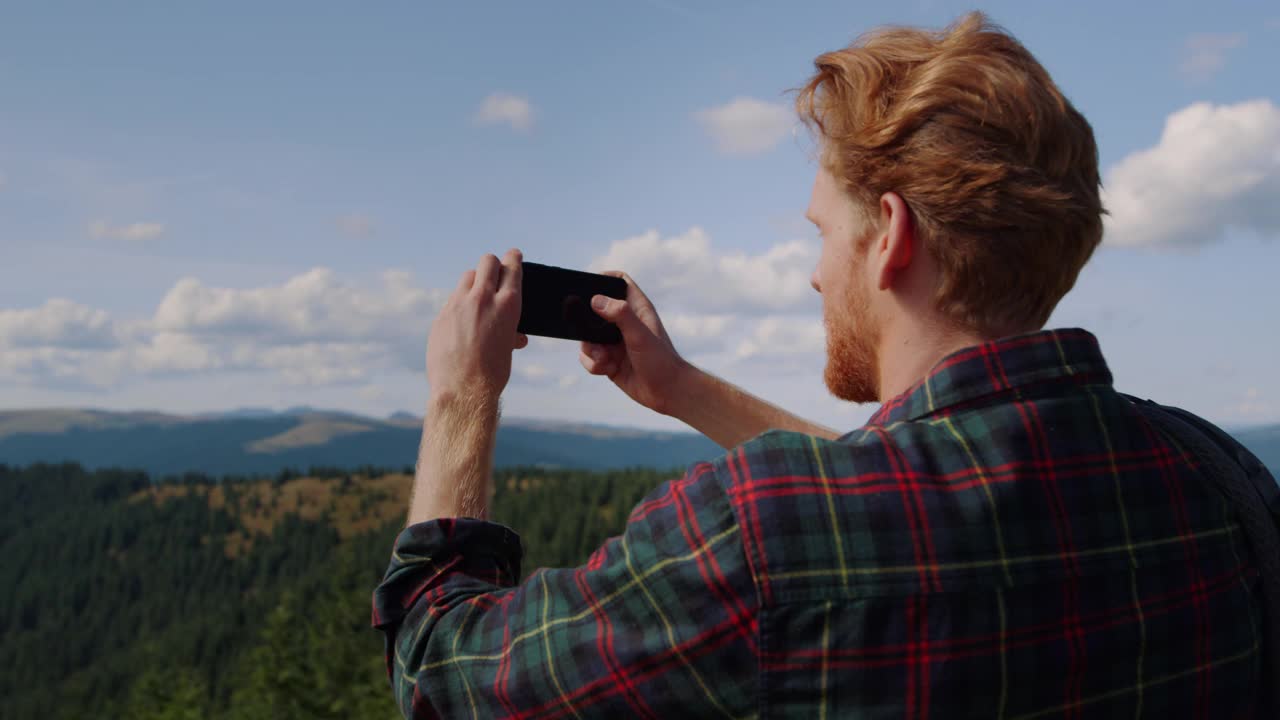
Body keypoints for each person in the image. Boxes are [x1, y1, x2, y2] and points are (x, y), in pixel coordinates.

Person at [372, 12, 1267, 718]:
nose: (813, 272)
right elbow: (906, 487)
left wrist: (462, 397)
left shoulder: (753, 532)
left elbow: (443, 673)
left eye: (823, 233)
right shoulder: (1218, 474)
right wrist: (683, 389)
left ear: (892, 239)